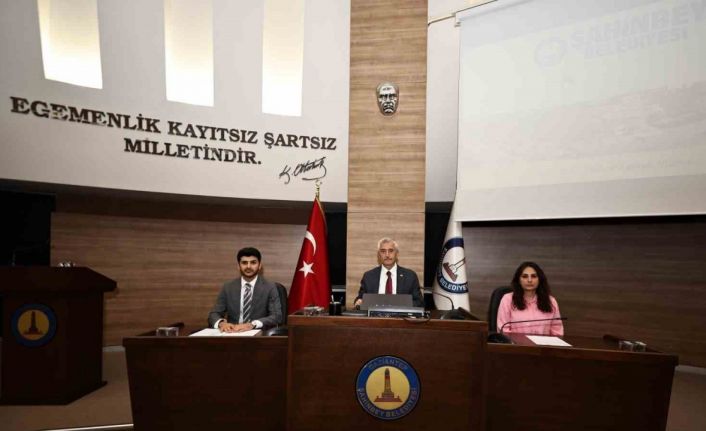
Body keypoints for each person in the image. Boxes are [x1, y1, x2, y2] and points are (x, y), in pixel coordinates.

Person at [208, 247, 282, 332]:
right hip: (232, 333)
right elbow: (214, 314)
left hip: (257, 334)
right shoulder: (228, 287)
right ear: (238, 266)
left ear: (259, 266)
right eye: (244, 263)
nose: (248, 266)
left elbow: (277, 316)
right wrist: (221, 323)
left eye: (253, 262)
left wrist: (252, 324)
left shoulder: (269, 287)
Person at [496, 261, 563, 336]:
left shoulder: (551, 301)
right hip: (515, 343)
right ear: (519, 280)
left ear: (539, 279)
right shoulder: (507, 300)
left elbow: (557, 331)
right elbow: (503, 331)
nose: (529, 280)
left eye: (533, 276)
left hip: (543, 344)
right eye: (525, 276)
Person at [354, 237, 424, 308]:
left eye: (391, 251)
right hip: (375, 315)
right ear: (379, 255)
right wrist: (359, 302)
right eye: (383, 251)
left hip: (401, 314)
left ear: (397, 254)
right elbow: (360, 299)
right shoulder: (368, 277)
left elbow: (419, 302)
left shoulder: (410, 276)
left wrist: (400, 306)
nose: (387, 255)